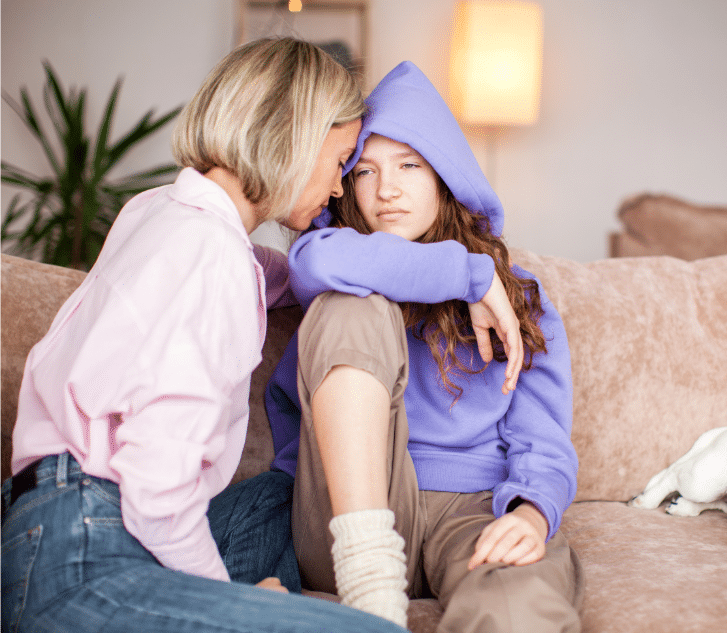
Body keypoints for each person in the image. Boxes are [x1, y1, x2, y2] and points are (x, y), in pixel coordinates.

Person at [1, 38, 404, 633]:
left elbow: (262, 274)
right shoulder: (209, 258)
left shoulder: (160, 211)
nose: (341, 188)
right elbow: (157, 488)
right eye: (341, 160)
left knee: (279, 504)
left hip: (52, 523)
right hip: (84, 553)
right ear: (292, 137)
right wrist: (233, 598)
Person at [266, 61, 584, 632]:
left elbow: (543, 441)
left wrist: (533, 515)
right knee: (352, 302)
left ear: (446, 176)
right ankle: (371, 587)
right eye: (363, 171)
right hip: (348, 509)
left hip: (469, 509)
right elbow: (317, 259)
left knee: (518, 600)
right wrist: (469, 275)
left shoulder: (519, 300)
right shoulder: (333, 262)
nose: (386, 189)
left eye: (409, 165)